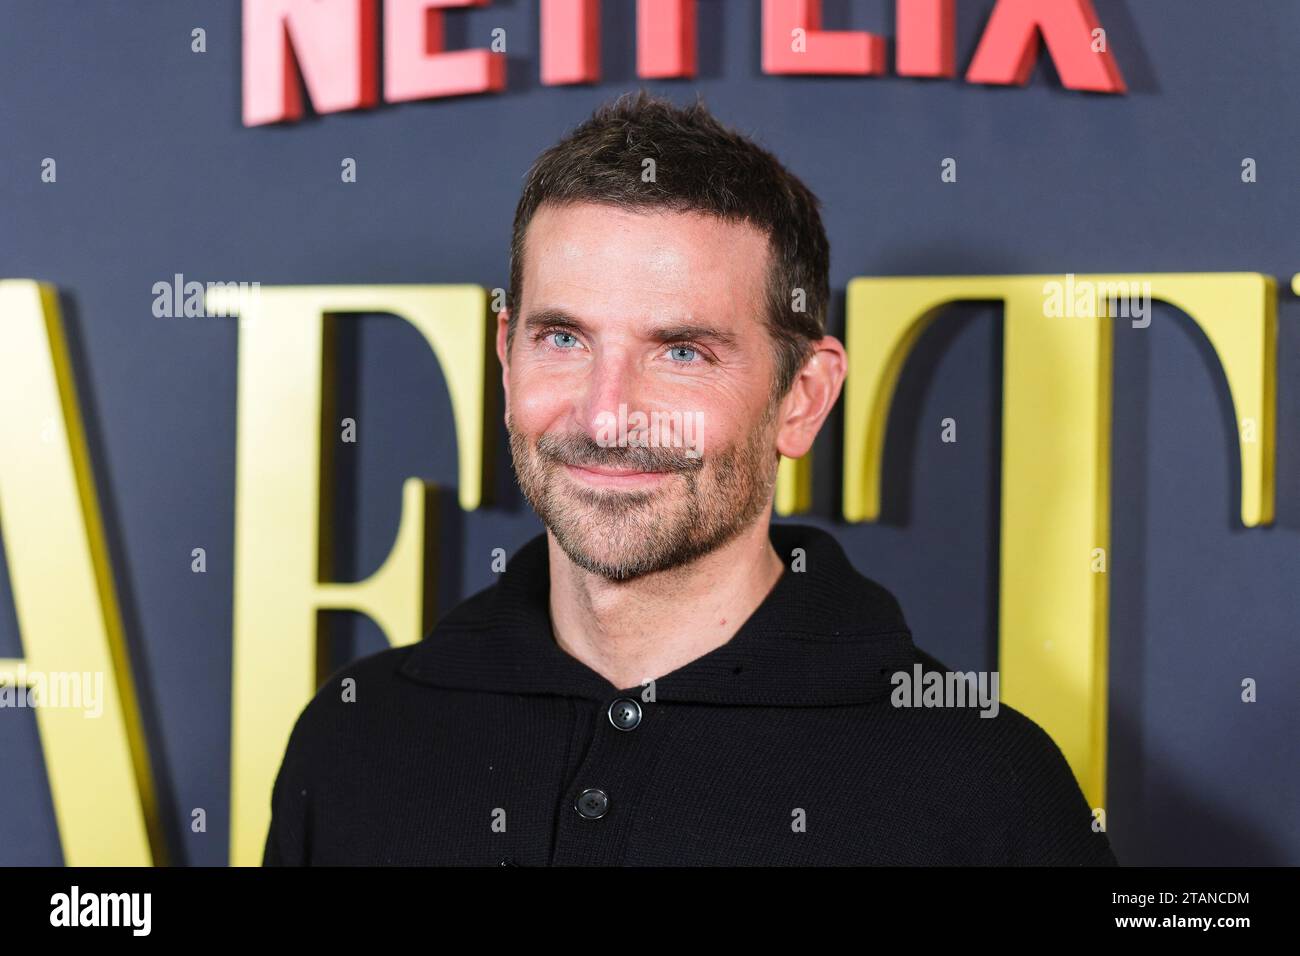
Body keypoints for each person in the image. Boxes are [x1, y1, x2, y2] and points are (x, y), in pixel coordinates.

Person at [263, 91, 1118, 866]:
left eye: (681, 352)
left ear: (803, 398)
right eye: (563, 338)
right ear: (505, 356)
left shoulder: (984, 789)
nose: (606, 416)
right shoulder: (353, 740)